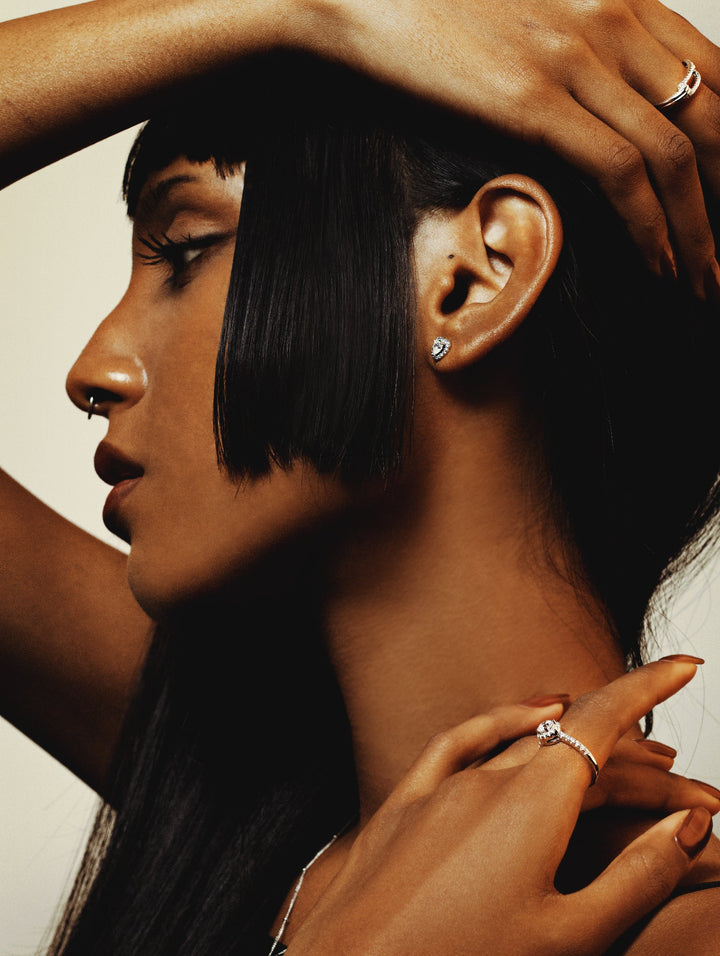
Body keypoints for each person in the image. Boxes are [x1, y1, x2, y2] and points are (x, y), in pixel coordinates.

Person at [2, 1, 720, 953]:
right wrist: (303, 9)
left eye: (186, 252)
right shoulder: (234, 796)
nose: (93, 371)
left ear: (472, 278)